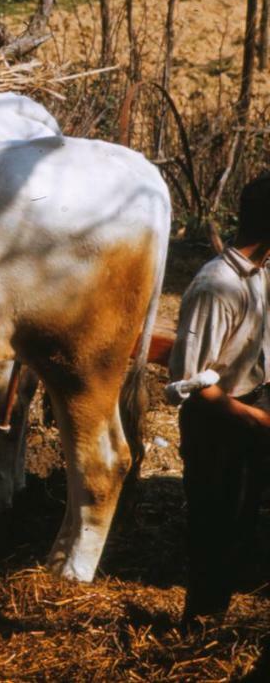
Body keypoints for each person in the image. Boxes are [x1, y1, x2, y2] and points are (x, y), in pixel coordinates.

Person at [170, 172, 270, 625]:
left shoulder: (260, 275)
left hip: (251, 409)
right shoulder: (216, 287)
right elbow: (190, 385)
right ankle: (199, 625)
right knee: (215, 524)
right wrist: (254, 418)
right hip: (219, 424)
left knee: (242, 521)